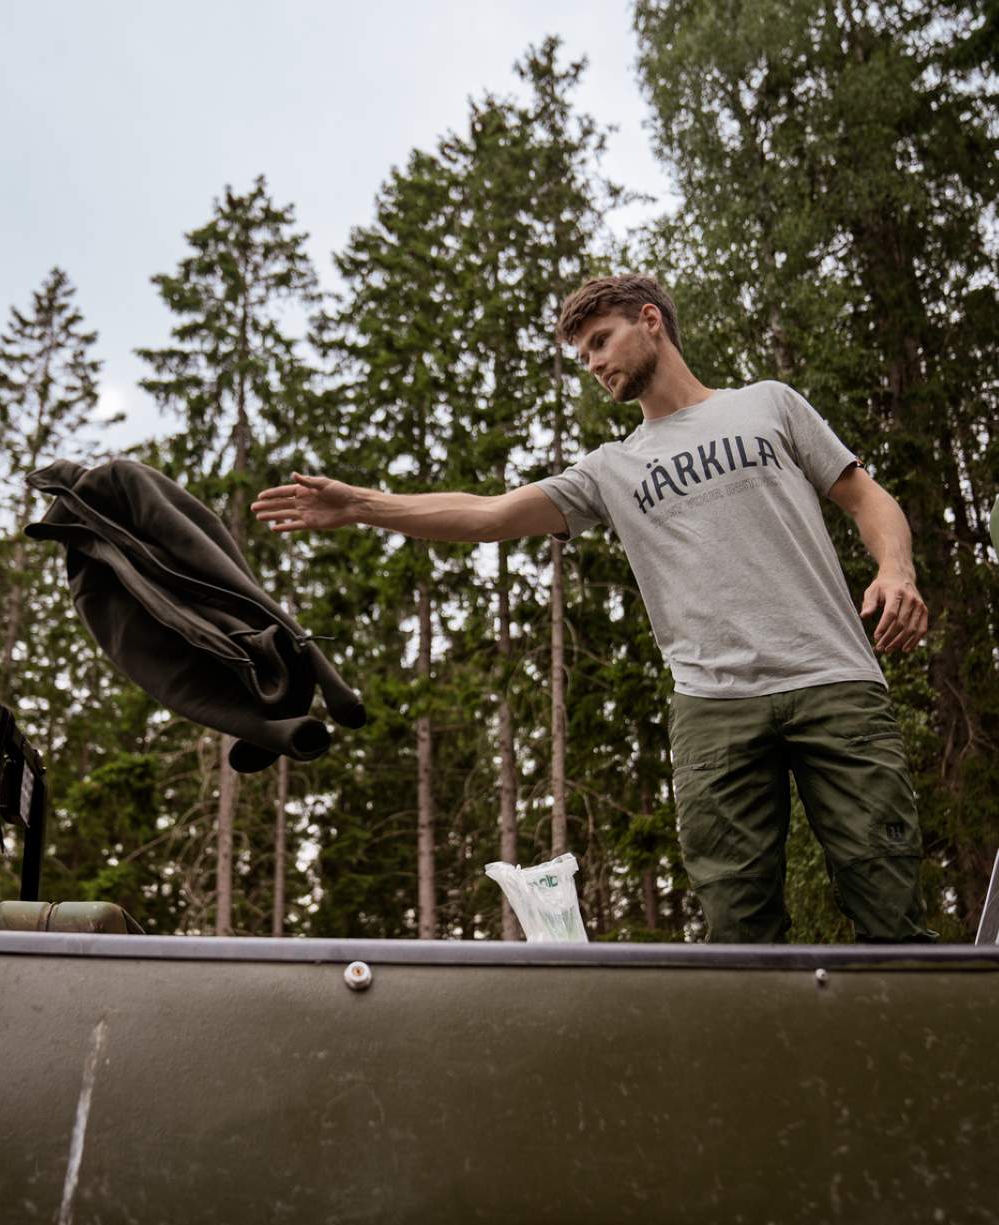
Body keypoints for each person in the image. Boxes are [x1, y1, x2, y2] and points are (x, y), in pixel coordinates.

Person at [252, 273, 934, 944]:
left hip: (833, 680)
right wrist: (362, 505)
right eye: (582, 357)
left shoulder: (768, 405)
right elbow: (488, 515)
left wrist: (896, 570)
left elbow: (866, 498)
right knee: (738, 933)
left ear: (650, 321)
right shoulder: (610, 469)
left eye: (601, 341)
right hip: (714, 708)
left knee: (889, 907)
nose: (594, 364)